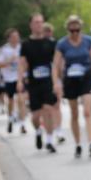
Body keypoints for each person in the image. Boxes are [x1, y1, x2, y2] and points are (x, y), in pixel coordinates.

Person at [54, 14, 91, 158]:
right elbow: (56, 65)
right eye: (71, 30)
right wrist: (56, 82)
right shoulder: (62, 44)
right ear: (67, 29)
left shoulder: (88, 41)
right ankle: (78, 144)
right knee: (74, 113)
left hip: (86, 78)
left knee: (87, 111)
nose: (74, 33)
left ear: (81, 28)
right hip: (70, 80)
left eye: (77, 30)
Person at [18, 13, 60, 152]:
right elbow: (22, 64)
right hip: (33, 83)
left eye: (41, 22)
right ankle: (38, 131)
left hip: (48, 82)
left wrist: (57, 82)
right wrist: (19, 80)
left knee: (48, 110)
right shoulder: (26, 44)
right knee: (36, 116)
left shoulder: (50, 43)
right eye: (36, 22)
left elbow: (56, 63)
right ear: (30, 25)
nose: (39, 25)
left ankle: (49, 140)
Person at [0, 28, 27, 135]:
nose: (16, 39)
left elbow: (26, 62)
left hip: (20, 77)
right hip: (9, 78)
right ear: (9, 38)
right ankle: (10, 118)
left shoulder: (22, 47)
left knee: (21, 100)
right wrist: (10, 60)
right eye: (13, 37)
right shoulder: (4, 50)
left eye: (17, 36)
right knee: (11, 101)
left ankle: (23, 124)